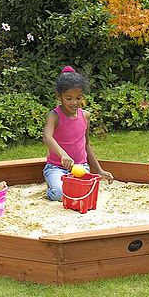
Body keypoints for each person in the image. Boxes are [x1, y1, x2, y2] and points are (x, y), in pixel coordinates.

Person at [43, 66, 114, 201]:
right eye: (69, 98)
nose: (74, 102)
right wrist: (63, 155)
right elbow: (47, 137)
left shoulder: (85, 116)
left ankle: (59, 184)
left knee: (84, 192)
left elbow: (86, 145)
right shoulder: (54, 115)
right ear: (60, 96)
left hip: (80, 167)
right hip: (56, 167)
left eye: (78, 98)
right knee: (60, 193)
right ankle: (52, 188)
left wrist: (99, 170)